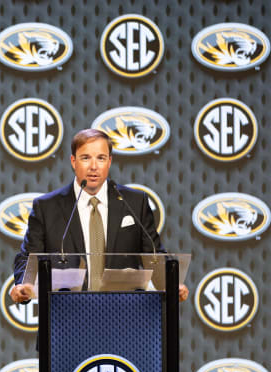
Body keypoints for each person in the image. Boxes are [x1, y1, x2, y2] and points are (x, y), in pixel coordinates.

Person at [10, 128, 188, 303]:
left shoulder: (134, 202)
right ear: (73, 161)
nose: (93, 167)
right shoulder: (47, 207)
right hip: (65, 318)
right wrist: (24, 286)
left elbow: (154, 256)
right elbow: (28, 258)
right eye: (85, 158)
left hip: (124, 316)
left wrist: (171, 284)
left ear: (109, 162)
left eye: (101, 158)